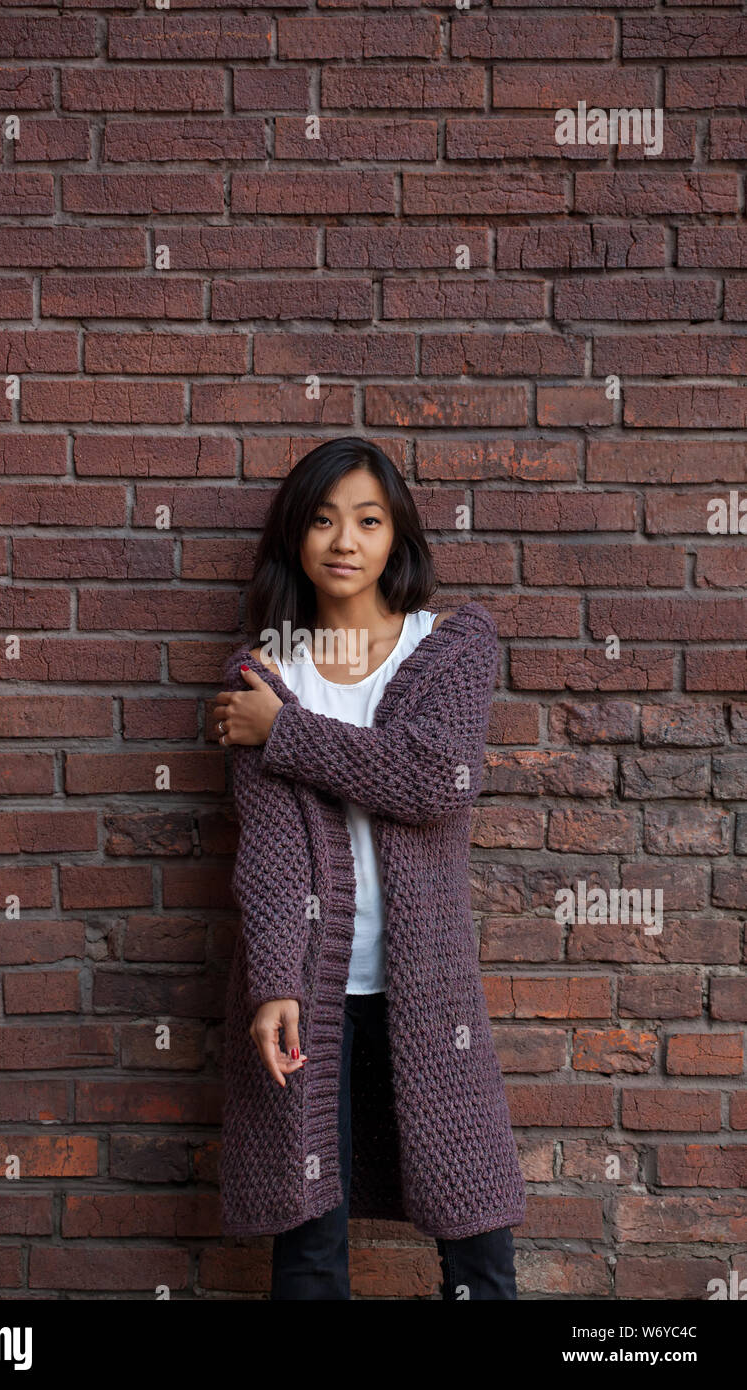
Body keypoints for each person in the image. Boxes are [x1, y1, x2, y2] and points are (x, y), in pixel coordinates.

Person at [214, 437, 525, 1300]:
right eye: (322, 519)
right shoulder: (265, 673)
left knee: (477, 1236)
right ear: (295, 538)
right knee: (309, 1245)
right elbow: (269, 849)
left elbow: (433, 780)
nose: (344, 540)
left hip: (428, 988)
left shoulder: (453, 647)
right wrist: (272, 983)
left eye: (368, 519)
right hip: (310, 991)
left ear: (398, 538)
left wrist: (285, 732)